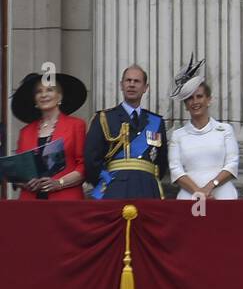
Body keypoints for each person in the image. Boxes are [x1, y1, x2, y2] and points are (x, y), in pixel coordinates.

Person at [84, 64, 168, 199]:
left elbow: (162, 162)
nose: (132, 84)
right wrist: (105, 181)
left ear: (145, 88)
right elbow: (91, 159)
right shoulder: (104, 118)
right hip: (114, 189)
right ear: (121, 85)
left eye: (137, 81)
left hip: (148, 189)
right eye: (128, 80)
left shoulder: (156, 121)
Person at [168, 58, 239, 200]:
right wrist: (198, 192)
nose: (195, 102)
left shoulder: (225, 130)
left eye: (199, 96)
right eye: (190, 98)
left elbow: (232, 164)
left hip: (223, 196)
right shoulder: (178, 135)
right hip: (189, 197)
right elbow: (175, 169)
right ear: (185, 105)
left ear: (208, 100)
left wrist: (210, 187)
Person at [10, 70, 87, 200]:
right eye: (39, 92)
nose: (44, 95)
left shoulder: (76, 125)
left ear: (60, 96)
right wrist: (26, 182)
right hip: (31, 203)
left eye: (49, 90)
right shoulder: (25, 132)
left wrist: (59, 183)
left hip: (65, 201)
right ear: (35, 99)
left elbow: (84, 166)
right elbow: (19, 171)